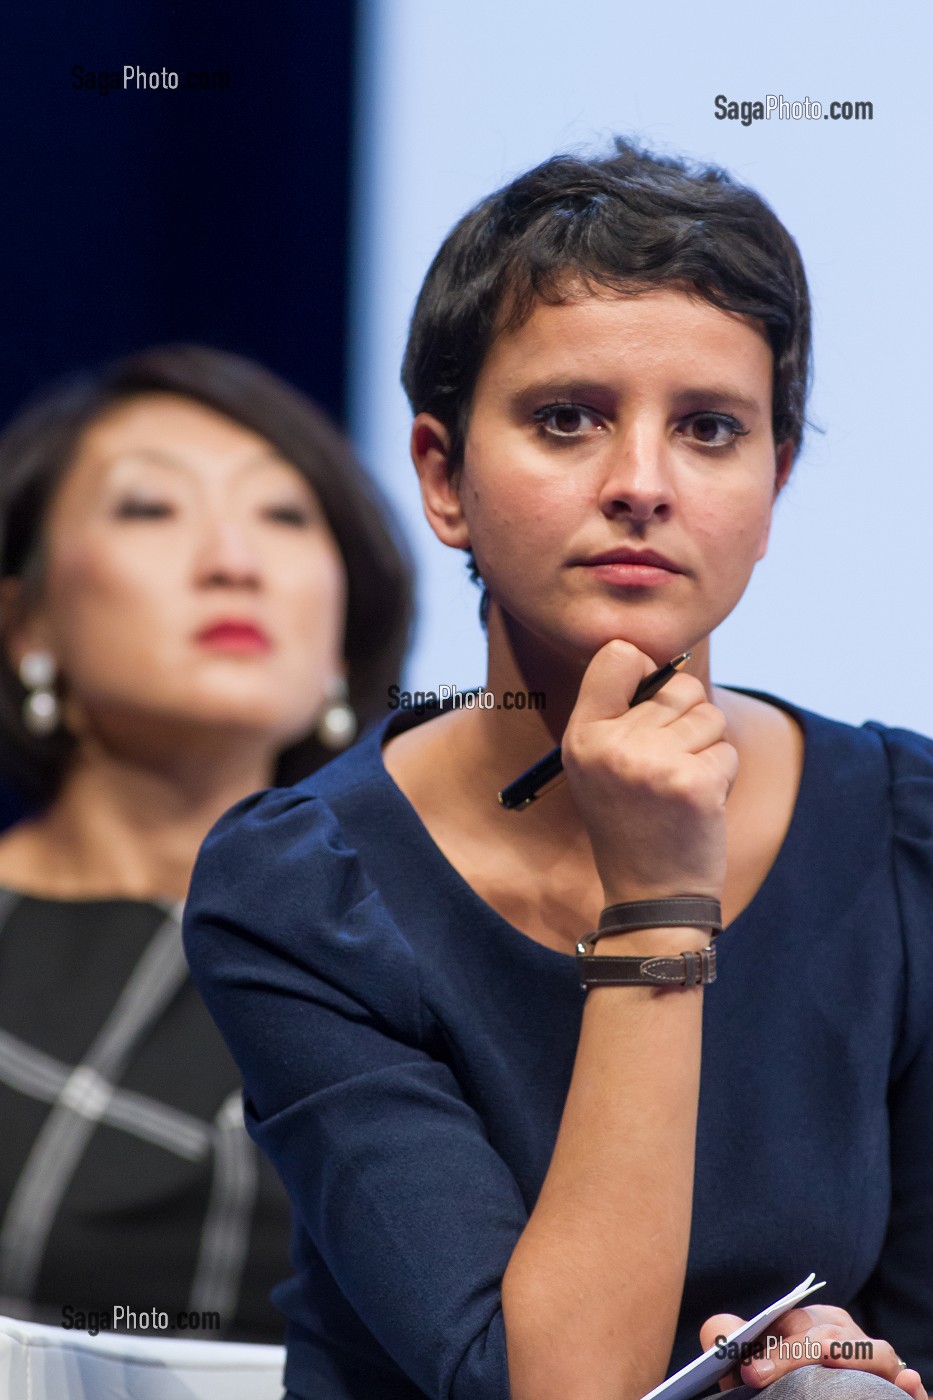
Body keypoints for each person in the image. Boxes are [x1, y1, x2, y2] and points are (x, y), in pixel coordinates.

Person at [183, 142, 933, 1399]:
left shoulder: (903, 831)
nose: (640, 484)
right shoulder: (305, 888)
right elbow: (550, 1390)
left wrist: (860, 1363)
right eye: (566, 418)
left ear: (775, 480)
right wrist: (655, 905)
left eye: (709, 429)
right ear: (443, 476)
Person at [0, 343, 412, 1342]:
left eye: (283, 515)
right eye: (151, 507)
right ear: (26, 625)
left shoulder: (425, 965)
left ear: (341, 638)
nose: (234, 560)